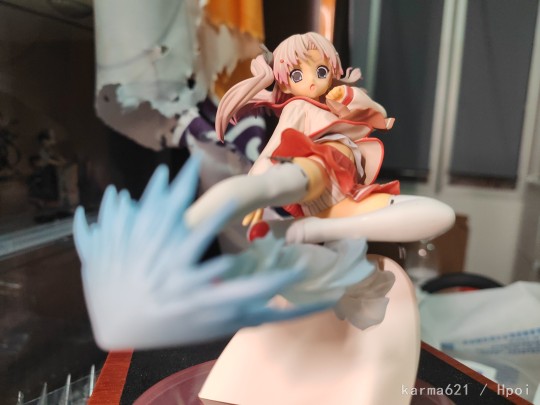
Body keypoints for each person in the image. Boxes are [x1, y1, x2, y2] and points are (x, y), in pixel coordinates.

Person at [185, 32, 454, 245]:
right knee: (295, 178)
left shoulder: (333, 102)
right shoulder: (298, 106)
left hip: (336, 193)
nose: (312, 81)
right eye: (298, 74)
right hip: (320, 166)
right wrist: (258, 185)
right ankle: (221, 210)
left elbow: (378, 114)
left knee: (434, 214)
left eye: (321, 71)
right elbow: (275, 144)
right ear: (285, 83)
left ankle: (297, 229)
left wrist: (346, 96)